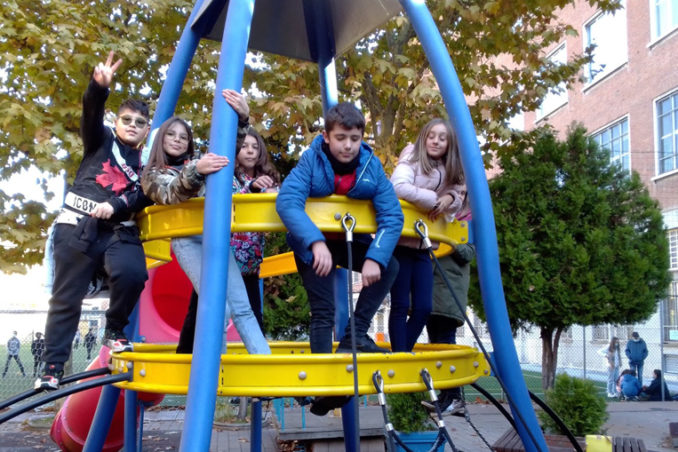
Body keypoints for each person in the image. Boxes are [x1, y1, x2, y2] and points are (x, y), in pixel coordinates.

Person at [276, 102, 404, 416]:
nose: (348, 145)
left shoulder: (370, 165)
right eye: (341, 137)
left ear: (361, 138)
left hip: (350, 242)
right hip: (313, 245)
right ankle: (321, 387)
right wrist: (315, 241)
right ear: (326, 137)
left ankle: (355, 336)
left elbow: (393, 215)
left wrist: (374, 256)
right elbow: (288, 202)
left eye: (354, 138)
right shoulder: (311, 160)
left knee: (391, 266)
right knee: (324, 311)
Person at [37, 51, 152, 391]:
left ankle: (114, 329)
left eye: (139, 122)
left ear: (147, 130)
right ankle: (52, 367)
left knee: (133, 272)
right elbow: (91, 113)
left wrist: (116, 206)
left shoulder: (148, 168)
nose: (132, 125)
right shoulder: (99, 141)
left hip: (118, 231)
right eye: (126, 119)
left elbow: (146, 194)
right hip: (77, 226)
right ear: (116, 123)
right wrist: (98, 88)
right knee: (65, 298)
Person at [141, 92, 270, 358]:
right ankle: (216, 371)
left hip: (216, 239)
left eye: (183, 136)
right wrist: (198, 169)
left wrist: (243, 119)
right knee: (218, 307)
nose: (177, 140)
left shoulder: (198, 164)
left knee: (243, 306)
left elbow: (227, 152)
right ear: (161, 140)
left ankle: (265, 363)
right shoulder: (153, 174)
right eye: (171, 135)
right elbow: (171, 193)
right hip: (188, 240)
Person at [388, 118, 464, 352]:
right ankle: (401, 355)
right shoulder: (412, 158)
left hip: (422, 247)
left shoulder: (449, 168)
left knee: (422, 307)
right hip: (400, 243)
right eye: (432, 136)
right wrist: (433, 200)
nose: (436, 141)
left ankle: (402, 352)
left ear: (449, 144)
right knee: (401, 304)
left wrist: (449, 199)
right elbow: (398, 186)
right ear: (424, 137)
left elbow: (459, 196)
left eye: (442, 138)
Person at [231, 127, 280, 332]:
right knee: (205, 312)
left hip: (251, 262)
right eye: (244, 147)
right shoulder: (229, 177)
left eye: (255, 147)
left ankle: (256, 356)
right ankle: (192, 355)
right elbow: (229, 201)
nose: (250, 151)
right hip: (227, 258)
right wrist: (251, 188)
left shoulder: (266, 177)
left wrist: (274, 193)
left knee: (253, 313)